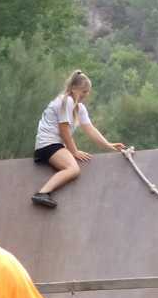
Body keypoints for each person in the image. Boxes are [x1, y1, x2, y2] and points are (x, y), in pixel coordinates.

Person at [31, 70, 127, 209]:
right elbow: (64, 131)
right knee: (73, 169)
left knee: (73, 166)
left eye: (87, 92)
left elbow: (90, 129)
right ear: (74, 88)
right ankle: (42, 193)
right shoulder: (66, 101)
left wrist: (109, 145)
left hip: (55, 146)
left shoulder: (79, 108)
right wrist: (74, 152)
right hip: (48, 145)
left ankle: (43, 192)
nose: (85, 95)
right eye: (83, 91)